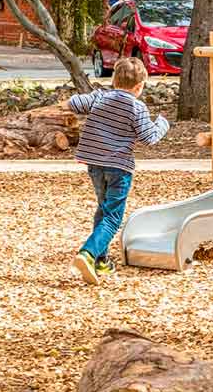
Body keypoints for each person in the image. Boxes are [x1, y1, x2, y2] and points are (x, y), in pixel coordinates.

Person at [67, 57, 169, 285]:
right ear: (139, 86)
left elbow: (74, 103)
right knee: (113, 217)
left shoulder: (100, 97)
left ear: (114, 80)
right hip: (119, 168)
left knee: (103, 209)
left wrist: (90, 98)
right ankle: (87, 253)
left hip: (94, 165)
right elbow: (149, 137)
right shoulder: (136, 107)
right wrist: (162, 124)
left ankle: (100, 261)